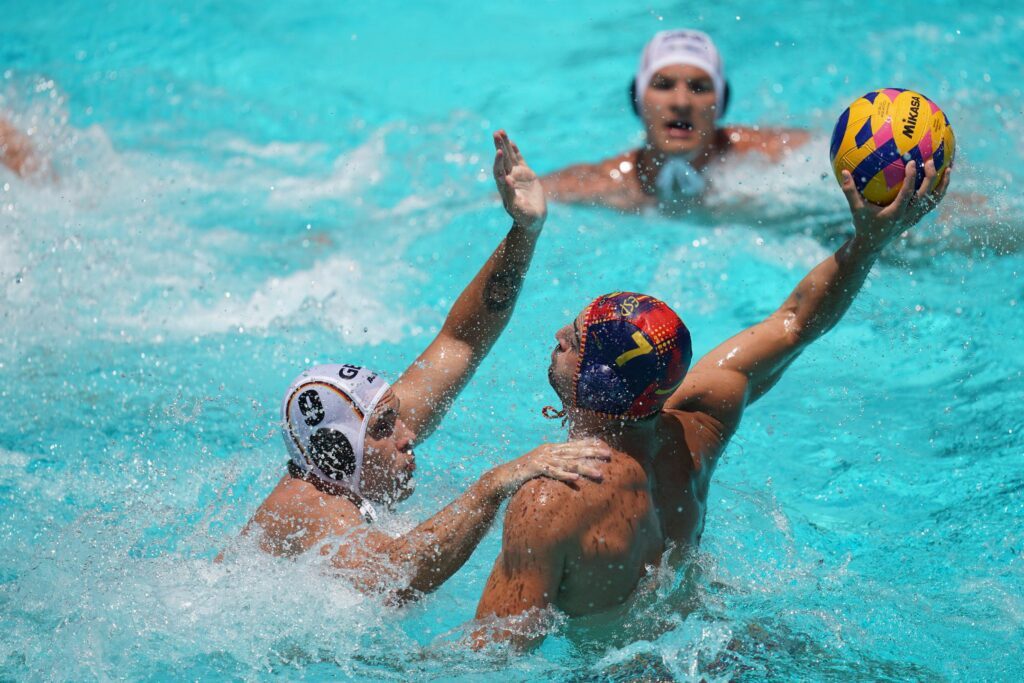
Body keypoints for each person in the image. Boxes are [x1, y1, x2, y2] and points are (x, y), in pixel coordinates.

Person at [473, 159, 951, 648]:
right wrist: (868, 243)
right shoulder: (696, 426)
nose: (557, 337)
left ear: (595, 381)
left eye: (573, 340)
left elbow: (488, 659)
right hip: (723, 649)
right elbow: (795, 324)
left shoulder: (551, 500)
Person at [224, 131, 612, 600]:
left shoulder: (359, 453)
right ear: (336, 452)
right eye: (387, 425)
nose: (410, 434)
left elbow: (462, 340)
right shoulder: (310, 505)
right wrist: (494, 483)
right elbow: (396, 580)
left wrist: (524, 232)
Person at [541, 29, 809, 212]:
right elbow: (523, 196)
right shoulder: (611, 183)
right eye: (663, 85)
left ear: (721, 103)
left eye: (699, 87)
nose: (681, 103)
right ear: (637, 99)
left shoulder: (771, 159)